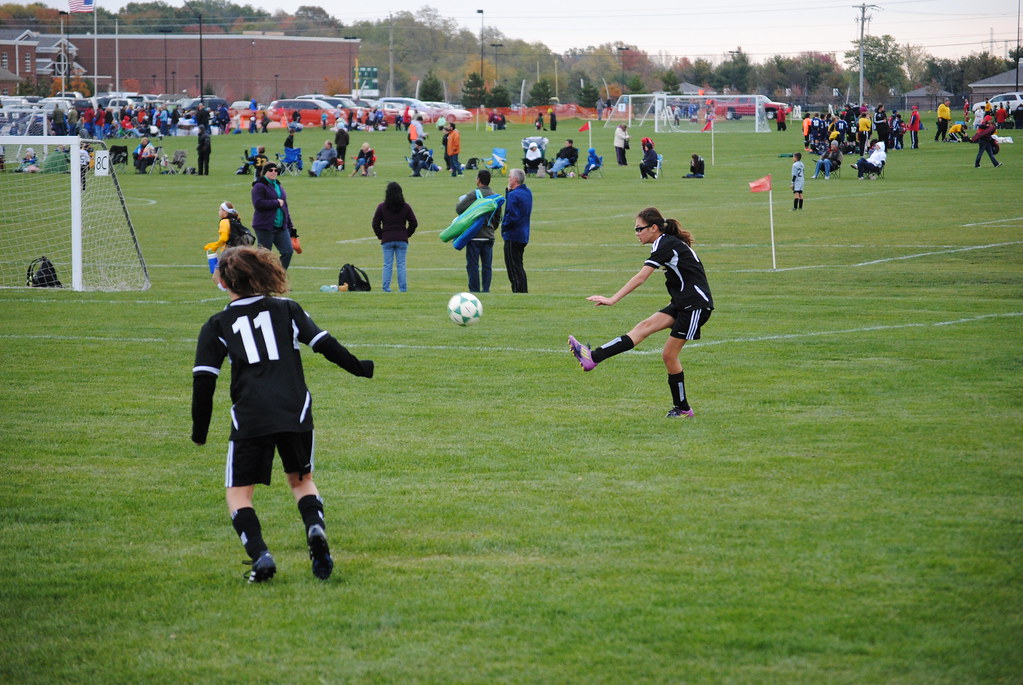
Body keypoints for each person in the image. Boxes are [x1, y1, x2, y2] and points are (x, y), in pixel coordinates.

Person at [191, 246, 374, 583]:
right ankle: (315, 528)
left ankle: (260, 556)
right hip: (295, 410)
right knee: (301, 481)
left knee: (239, 492)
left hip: (251, 416)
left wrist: (199, 431)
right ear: (261, 275)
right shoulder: (287, 309)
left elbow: (204, 380)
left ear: (224, 281)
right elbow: (324, 343)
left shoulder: (217, 324)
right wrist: (360, 368)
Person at [567, 206, 713, 419]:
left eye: (639, 229)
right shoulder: (664, 243)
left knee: (669, 355)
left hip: (695, 306)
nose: (636, 233)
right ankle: (592, 358)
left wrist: (612, 299)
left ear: (654, 228)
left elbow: (641, 277)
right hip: (683, 303)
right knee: (642, 328)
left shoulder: (665, 244)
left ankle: (683, 409)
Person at [456, 169, 502, 293]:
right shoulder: (495, 196)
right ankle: (486, 289)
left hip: (474, 235)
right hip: (489, 236)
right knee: (487, 266)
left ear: (478, 180)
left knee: (473, 266)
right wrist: (491, 228)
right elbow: (498, 217)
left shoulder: (474, 194)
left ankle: (474, 291)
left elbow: (459, 209)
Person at [369, 182, 418, 293]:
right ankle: (402, 288)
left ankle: (386, 288)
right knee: (401, 264)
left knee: (387, 264)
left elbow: (375, 223)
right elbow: (413, 223)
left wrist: (381, 235)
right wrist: (406, 234)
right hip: (401, 239)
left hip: (387, 239)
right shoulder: (406, 207)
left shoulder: (382, 207)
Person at [250, 163, 298, 269]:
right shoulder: (259, 186)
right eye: (270, 170)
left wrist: (291, 227)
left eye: (276, 170)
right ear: (264, 172)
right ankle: (259, 279)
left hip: (281, 226)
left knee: (288, 251)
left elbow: (284, 206)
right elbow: (258, 204)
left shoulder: (278, 185)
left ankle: (278, 275)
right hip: (265, 226)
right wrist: (276, 203)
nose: (273, 172)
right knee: (263, 256)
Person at [502, 168, 532, 293]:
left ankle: (518, 291)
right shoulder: (527, 192)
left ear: (514, 180)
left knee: (513, 268)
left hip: (513, 235)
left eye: (509, 177)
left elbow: (511, 215)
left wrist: (504, 226)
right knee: (519, 265)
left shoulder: (514, 195)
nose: (508, 179)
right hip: (523, 234)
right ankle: (523, 291)